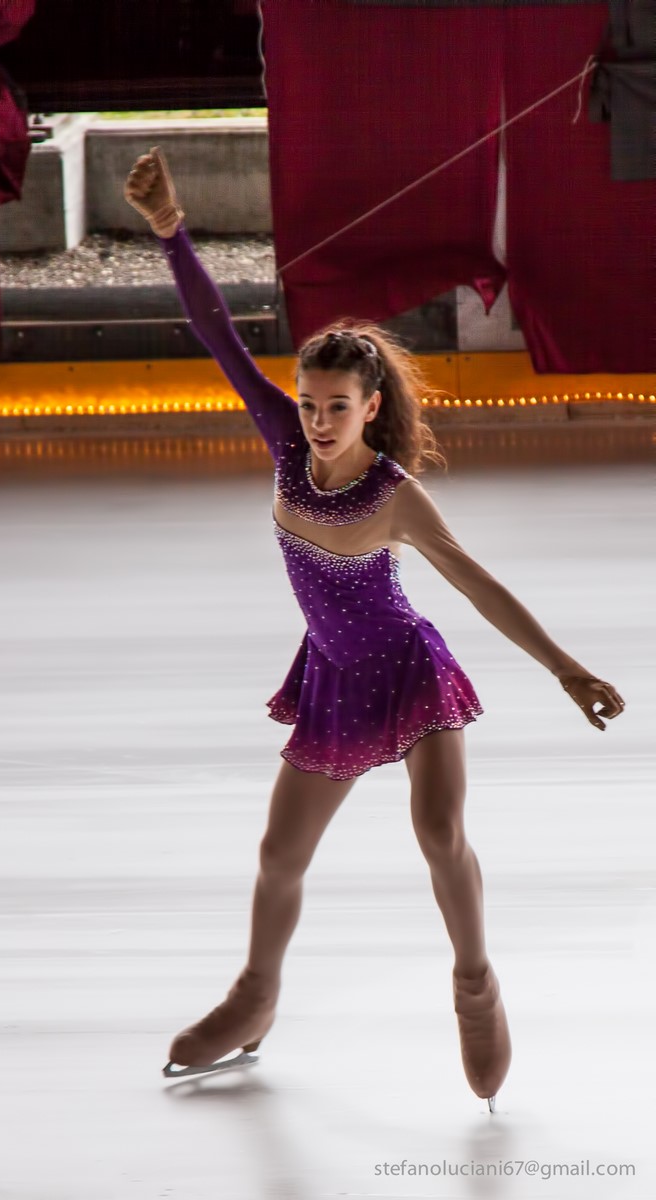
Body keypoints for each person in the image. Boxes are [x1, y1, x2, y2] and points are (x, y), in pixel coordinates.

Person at [124, 147, 626, 1110]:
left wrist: (565, 669)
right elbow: (218, 336)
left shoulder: (394, 496)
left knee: (439, 834)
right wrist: (170, 231)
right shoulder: (284, 443)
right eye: (310, 404)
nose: (318, 421)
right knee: (279, 856)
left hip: (408, 672)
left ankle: (474, 981)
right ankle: (256, 994)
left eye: (337, 408)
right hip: (332, 680)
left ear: (371, 408)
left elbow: (476, 584)